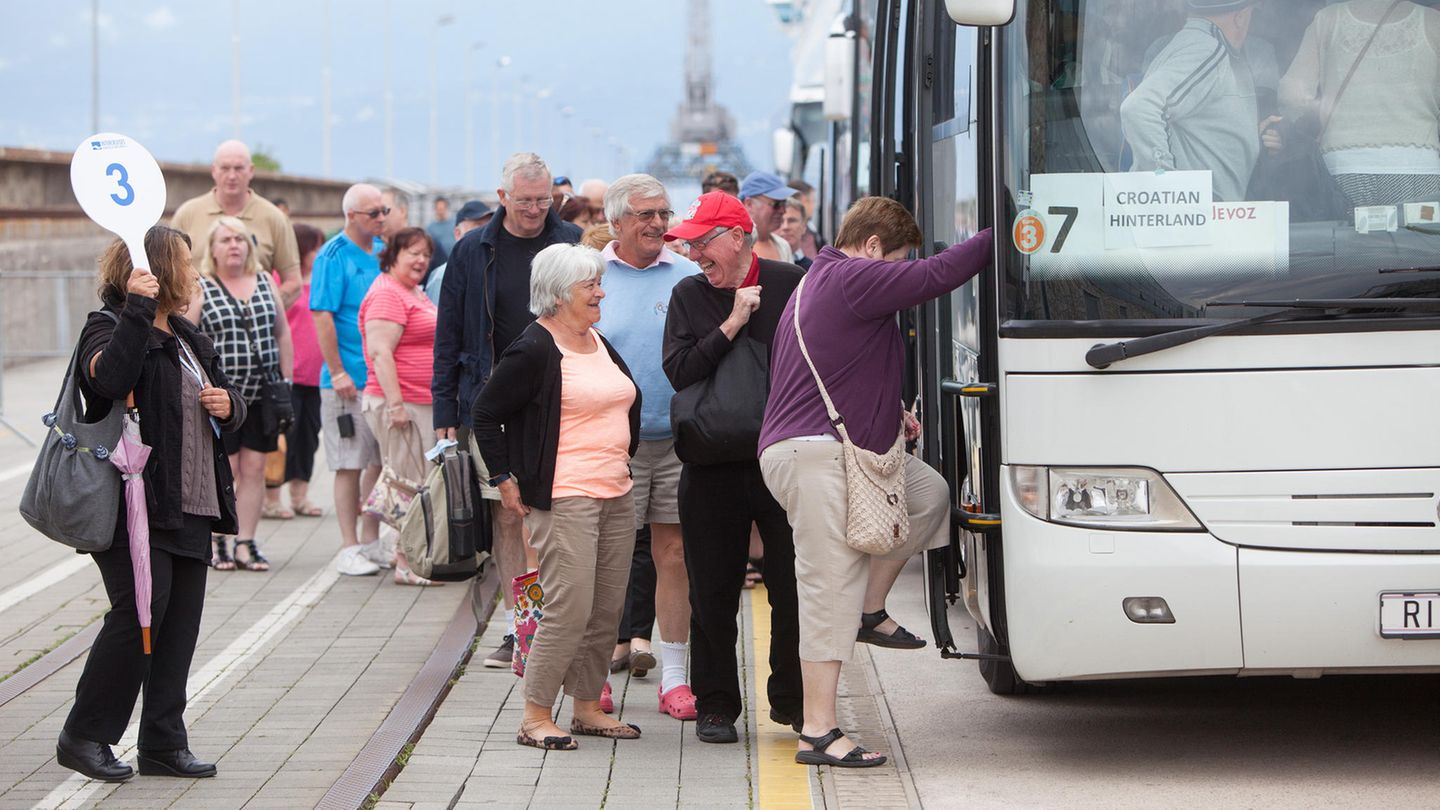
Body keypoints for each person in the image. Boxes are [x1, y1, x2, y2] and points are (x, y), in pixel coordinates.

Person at [758, 197, 992, 768]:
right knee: (825, 588)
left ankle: (869, 608)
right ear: (870, 248)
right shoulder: (852, 276)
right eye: (898, 258)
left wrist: (890, 415)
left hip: (843, 449)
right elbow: (938, 274)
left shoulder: (829, 279)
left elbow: (849, 367)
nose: (902, 269)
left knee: (929, 495)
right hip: (816, 457)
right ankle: (819, 731)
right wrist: (1008, 231)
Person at [59, 225, 244, 782]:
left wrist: (228, 406)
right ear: (159, 269)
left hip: (191, 502)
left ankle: (163, 743)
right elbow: (109, 382)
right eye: (187, 262)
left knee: (179, 623)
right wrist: (138, 310)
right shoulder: (109, 326)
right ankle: (85, 734)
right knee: (140, 614)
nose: (196, 272)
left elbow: (227, 416)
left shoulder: (187, 337)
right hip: (130, 502)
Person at [471, 243, 643, 750]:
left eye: (597, 282)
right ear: (557, 293)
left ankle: (588, 706)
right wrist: (505, 479)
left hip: (615, 488)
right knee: (570, 606)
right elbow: (486, 414)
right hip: (565, 493)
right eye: (589, 285)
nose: (600, 292)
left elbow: (624, 401)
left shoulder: (598, 341)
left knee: (607, 607)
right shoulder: (534, 348)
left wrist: (623, 453)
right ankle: (535, 714)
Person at [660, 191, 805, 744]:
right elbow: (679, 372)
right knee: (712, 592)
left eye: (702, 242)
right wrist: (732, 323)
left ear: (738, 237)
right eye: (690, 244)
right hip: (711, 463)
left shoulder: (791, 282)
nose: (695, 253)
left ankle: (792, 700)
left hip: (782, 461)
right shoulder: (689, 295)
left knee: (792, 588)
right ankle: (716, 704)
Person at [433, 153, 583, 667]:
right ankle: (521, 627)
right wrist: (443, 407)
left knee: (557, 513)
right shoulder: (473, 250)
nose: (535, 210)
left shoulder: (571, 242)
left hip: (560, 399)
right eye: (525, 201)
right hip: (491, 399)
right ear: (502, 198)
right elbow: (448, 332)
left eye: (544, 200)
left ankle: (561, 623)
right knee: (507, 515)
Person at [597, 173, 701, 720]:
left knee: (675, 555)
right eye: (645, 215)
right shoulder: (590, 276)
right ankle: (594, 678)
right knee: (609, 559)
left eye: (663, 213)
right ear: (616, 222)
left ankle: (675, 678)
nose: (659, 223)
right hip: (614, 443)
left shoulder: (688, 274)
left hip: (678, 440)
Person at [192, 216, 293, 573]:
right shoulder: (201, 285)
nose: (234, 245)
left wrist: (287, 380)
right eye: (225, 240)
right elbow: (188, 336)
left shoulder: (265, 280)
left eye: (239, 239)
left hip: (263, 392)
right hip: (221, 396)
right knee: (227, 469)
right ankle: (219, 540)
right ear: (212, 249)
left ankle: (246, 542)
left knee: (255, 468)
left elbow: (282, 333)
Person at [1278, 0, 1440, 207]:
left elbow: (1292, 94)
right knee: (1415, 239)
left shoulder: (1327, 19)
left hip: (1344, 165)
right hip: (1418, 168)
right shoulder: (1434, 22)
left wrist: (1315, 116)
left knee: (1349, 239)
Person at [1120, 0, 1281, 202]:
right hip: (1198, 219)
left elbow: (1198, 125)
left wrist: (1248, 135)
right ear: (1241, 17)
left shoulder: (1192, 44)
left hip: (1206, 217)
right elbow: (1139, 108)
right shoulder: (1207, 49)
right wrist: (1165, 185)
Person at [312, 183, 388, 577]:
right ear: (351, 216)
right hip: (347, 378)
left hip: (379, 378)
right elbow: (322, 315)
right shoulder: (333, 255)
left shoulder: (381, 252)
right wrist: (337, 370)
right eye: (373, 213)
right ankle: (348, 544)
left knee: (379, 460)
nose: (380, 219)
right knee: (348, 462)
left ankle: (372, 537)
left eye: (383, 211)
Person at [360, 227, 443, 586]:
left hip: (419, 399)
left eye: (425, 254)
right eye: (413, 252)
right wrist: (396, 405)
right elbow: (380, 352)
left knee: (418, 480)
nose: (421, 260)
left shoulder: (411, 291)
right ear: (392, 254)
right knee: (407, 481)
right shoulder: (387, 295)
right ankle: (405, 561)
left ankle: (411, 555)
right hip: (400, 401)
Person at [171, 140, 302, 307]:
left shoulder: (275, 218)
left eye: (239, 168)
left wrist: (265, 310)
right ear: (214, 171)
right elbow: (171, 275)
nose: (232, 176)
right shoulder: (187, 214)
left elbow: (293, 282)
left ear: (251, 171)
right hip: (194, 327)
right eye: (225, 168)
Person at [263, 222, 327, 519]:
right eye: (315, 247)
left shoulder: (324, 278)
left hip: (317, 375)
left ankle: (300, 495)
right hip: (287, 374)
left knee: (309, 437)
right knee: (280, 437)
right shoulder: (282, 281)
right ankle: (272, 497)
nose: (320, 252)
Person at [423, 201, 494, 304]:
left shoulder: (493, 270)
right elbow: (434, 317)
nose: (484, 233)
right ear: (457, 233)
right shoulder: (442, 276)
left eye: (488, 227)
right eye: (477, 227)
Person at [738, 171, 798, 263]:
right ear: (749, 204)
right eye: (776, 204)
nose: (783, 210)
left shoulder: (783, 246)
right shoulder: (736, 246)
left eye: (784, 203)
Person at [779, 198, 813, 271]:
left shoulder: (813, 270)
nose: (785, 227)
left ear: (804, 226)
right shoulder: (762, 265)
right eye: (780, 220)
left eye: (792, 221)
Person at [427, 196, 457, 267]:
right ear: (435, 209)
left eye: (442, 209)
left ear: (447, 209)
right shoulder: (430, 228)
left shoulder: (455, 224)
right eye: (438, 209)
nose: (440, 211)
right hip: (439, 264)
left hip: (455, 261)